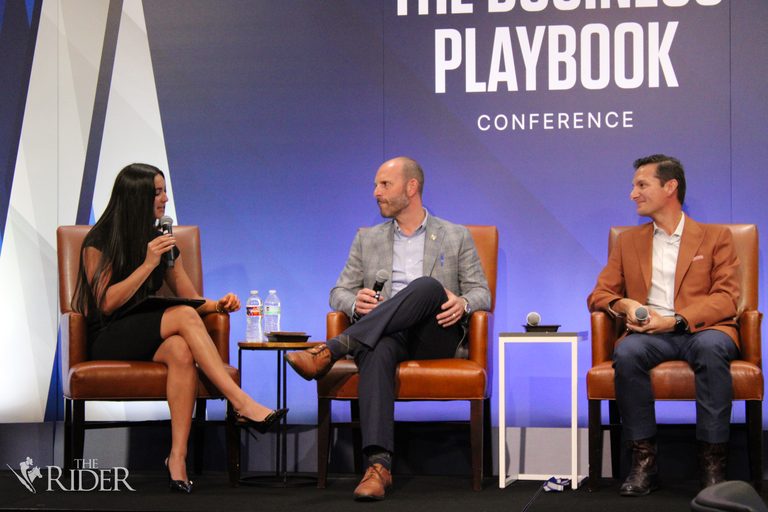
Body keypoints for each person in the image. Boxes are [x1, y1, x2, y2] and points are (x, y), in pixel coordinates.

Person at [72, 163, 287, 493]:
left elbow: (188, 298)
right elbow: (106, 303)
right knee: (184, 319)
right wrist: (147, 265)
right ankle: (240, 402)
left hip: (144, 333)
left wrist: (218, 305)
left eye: (163, 191)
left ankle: (177, 458)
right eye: (157, 192)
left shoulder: (163, 240)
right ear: (136, 197)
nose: (165, 199)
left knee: (182, 350)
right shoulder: (99, 240)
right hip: (108, 336)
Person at [285, 156, 491, 501]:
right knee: (376, 347)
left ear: (411, 188)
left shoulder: (455, 235)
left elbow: (481, 291)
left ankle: (335, 347)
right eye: (376, 185)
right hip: (385, 335)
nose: (376, 192)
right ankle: (378, 467)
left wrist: (465, 303)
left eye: (385, 185)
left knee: (427, 287)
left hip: (434, 334)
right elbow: (338, 291)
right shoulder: (368, 239)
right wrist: (355, 302)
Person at [587, 154, 741, 496]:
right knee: (626, 353)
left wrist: (674, 320)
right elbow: (599, 294)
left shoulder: (716, 237)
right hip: (649, 335)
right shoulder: (628, 241)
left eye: (642, 185)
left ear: (670, 187)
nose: (633, 194)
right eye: (633, 186)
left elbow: (727, 298)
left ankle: (713, 464)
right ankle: (643, 463)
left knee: (713, 347)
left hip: (702, 329)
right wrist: (624, 304)